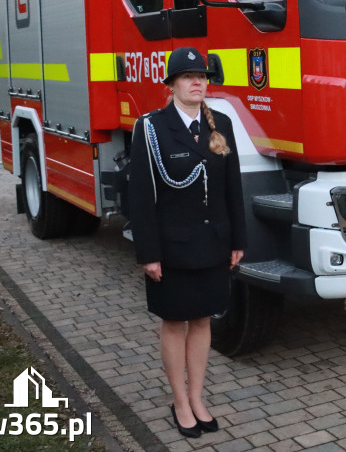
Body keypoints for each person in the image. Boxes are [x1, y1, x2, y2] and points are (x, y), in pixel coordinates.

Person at [128, 46, 246, 439]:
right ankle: (179, 402)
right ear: (173, 84)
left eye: (202, 76)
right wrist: (149, 253)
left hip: (214, 244)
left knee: (202, 320)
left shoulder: (221, 125)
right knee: (175, 324)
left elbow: (233, 189)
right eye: (187, 77)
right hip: (173, 248)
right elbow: (141, 196)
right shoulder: (152, 127)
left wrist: (238, 241)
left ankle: (198, 398)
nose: (197, 82)